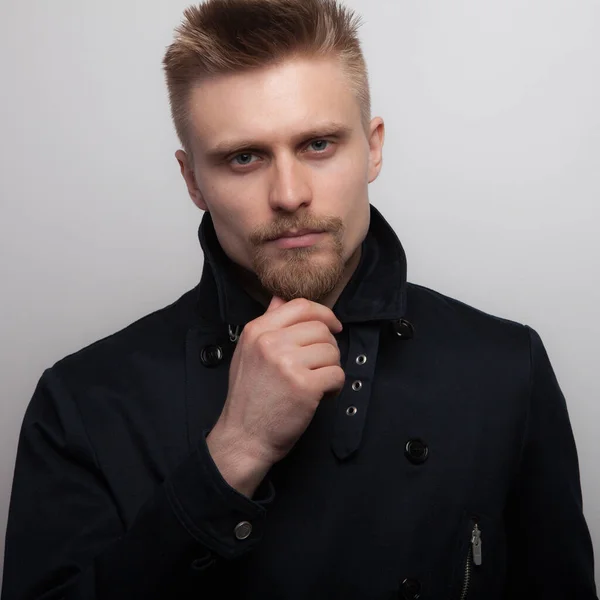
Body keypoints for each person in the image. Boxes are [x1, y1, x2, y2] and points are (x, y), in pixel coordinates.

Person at [1, 0, 597, 598]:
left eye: (317, 144)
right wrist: (235, 451)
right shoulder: (82, 402)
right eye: (244, 157)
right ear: (192, 181)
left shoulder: (505, 368)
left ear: (374, 148)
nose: (289, 194)